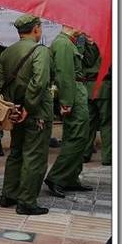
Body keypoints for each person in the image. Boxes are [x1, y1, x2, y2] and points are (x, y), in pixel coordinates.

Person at [0, 14, 53, 215]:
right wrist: (28, 107)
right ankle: (27, 202)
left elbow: (1, 84)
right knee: (35, 157)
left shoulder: (6, 53)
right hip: (36, 112)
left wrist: (14, 109)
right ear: (36, 29)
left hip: (15, 111)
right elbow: (39, 82)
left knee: (16, 153)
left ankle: (8, 194)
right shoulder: (41, 52)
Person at [44, 25, 94, 196]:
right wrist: (66, 101)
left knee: (78, 136)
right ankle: (56, 177)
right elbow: (64, 75)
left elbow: (88, 62)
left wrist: (90, 43)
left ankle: (71, 178)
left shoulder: (69, 43)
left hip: (77, 90)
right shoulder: (63, 44)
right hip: (73, 93)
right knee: (77, 137)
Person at [82, 39, 111, 166]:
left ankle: (85, 154)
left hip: (89, 87)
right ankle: (108, 157)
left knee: (89, 122)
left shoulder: (83, 43)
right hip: (104, 86)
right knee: (107, 123)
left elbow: (85, 62)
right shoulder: (109, 41)